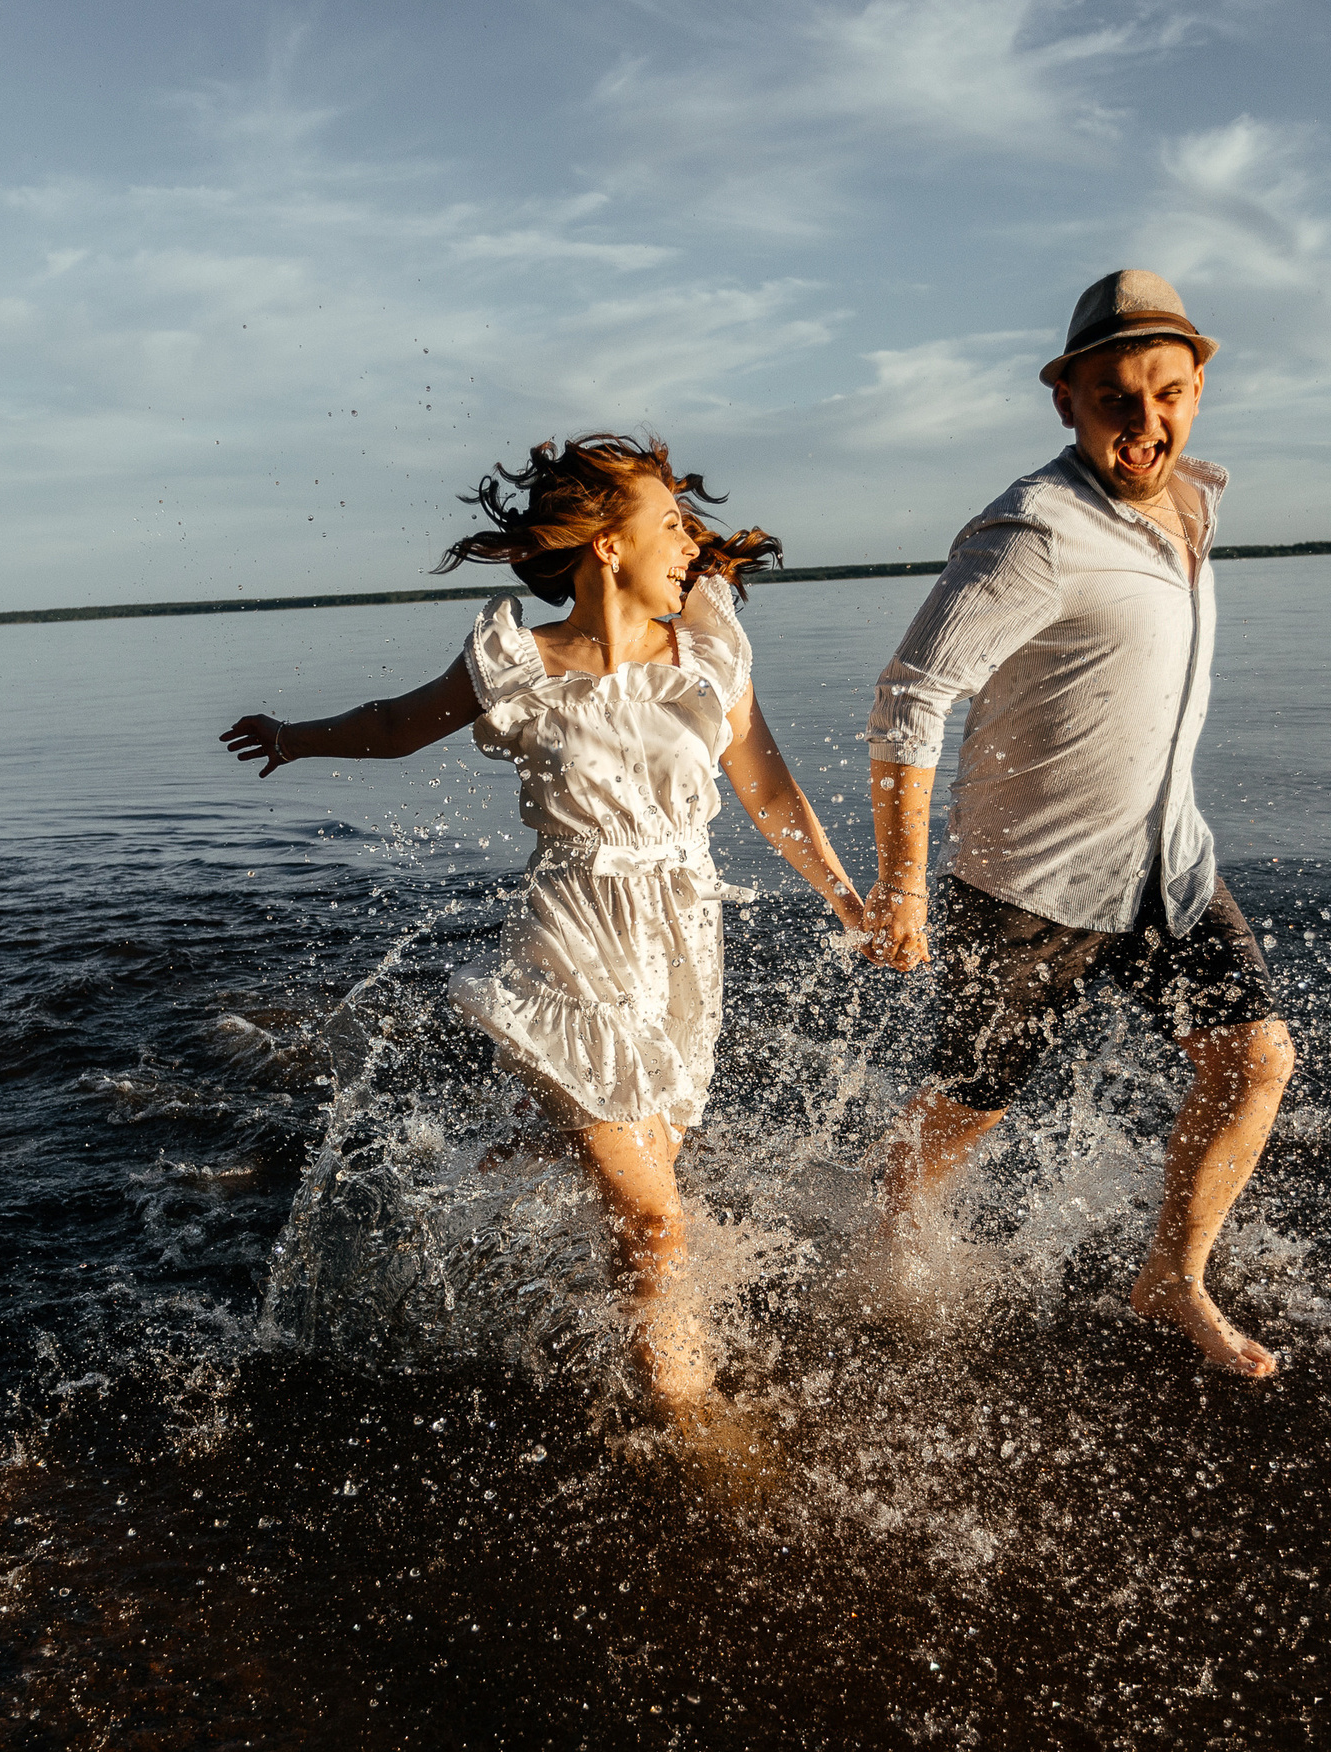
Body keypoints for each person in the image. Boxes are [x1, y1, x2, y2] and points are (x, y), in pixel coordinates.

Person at [221, 434, 863, 1428]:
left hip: (681, 946)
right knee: (655, 1216)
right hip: (572, 943)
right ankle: (686, 1417)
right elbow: (399, 724)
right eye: (666, 526)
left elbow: (769, 791)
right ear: (606, 545)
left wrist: (845, 896)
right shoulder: (522, 662)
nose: (689, 545)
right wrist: (297, 737)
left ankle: (535, 1186)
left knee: (651, 1185)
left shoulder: (707, 655)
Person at [855, 270, 1297, 1377]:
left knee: (1253, 1063)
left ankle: (1171, 1276)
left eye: (1167, 394)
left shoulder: (1194, 503)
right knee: (973, 1107)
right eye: (1114, 398)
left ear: (1197, 388)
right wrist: (903, 886)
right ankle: (883, 1232)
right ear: (1066, 399)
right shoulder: (1034, 528)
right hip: (1026, 887)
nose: (1144, 423)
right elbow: (911, 694)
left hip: (1166, 869)